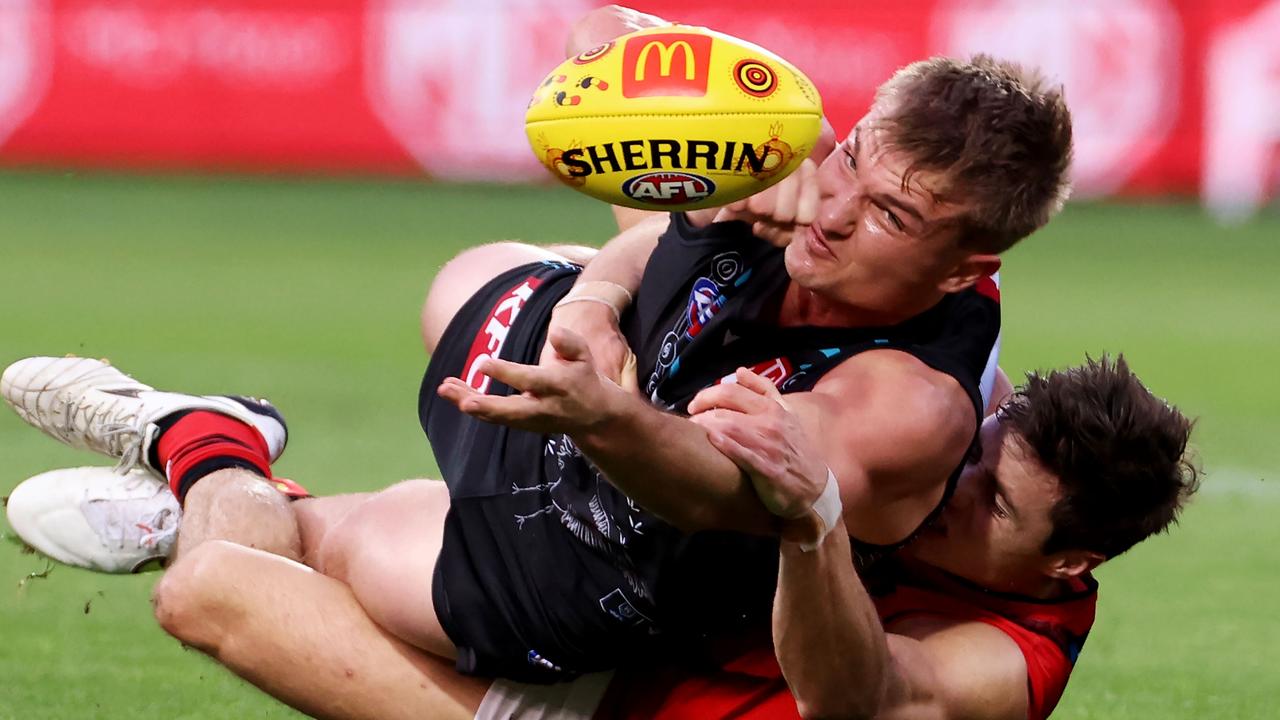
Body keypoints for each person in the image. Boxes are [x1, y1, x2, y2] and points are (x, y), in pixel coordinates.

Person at [2, 3, 1073, 686]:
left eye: (889, 214)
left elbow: (713, 485)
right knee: (475, 273)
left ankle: (209, 450)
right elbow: (594, 33)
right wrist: (598, 295)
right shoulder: (791, 180)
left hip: (582, 565)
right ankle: (240, 481)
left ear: (960, 273)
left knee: (225, 579)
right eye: (849, 160)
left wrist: (603, 410)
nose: (835, 211)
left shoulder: (911, 399)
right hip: (582, 391)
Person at [5, 356, 1198, 720]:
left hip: (584, 705)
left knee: (220, 581)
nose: (952, 492)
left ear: (1066, 562)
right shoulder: (920, 440)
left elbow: (854, 691)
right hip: (593, 590)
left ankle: (208, 450)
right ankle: (220, 454)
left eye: (991, 504)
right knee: (263, 561)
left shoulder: (1015, 659)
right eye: (976, 456)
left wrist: (811, 515)